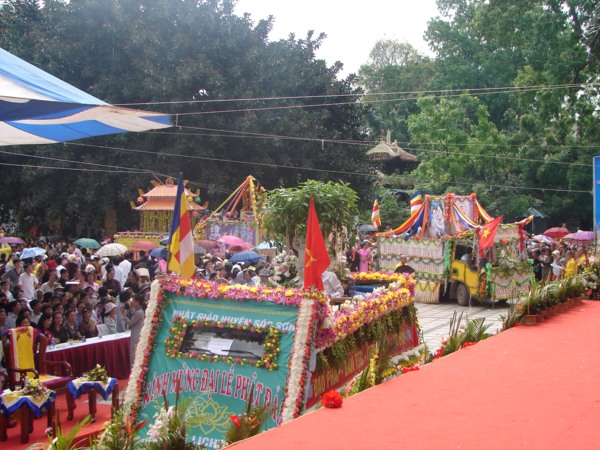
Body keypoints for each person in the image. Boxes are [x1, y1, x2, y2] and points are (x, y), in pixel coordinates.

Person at [122, 293, 145, 367]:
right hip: (136, 332)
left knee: (133, 353)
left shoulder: (139, 312)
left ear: (137, 302)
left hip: (136, 334)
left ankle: (133, 368)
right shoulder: (138, 311)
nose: (132, 302)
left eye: (134, 300)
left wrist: (123, 315)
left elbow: (130, 323)